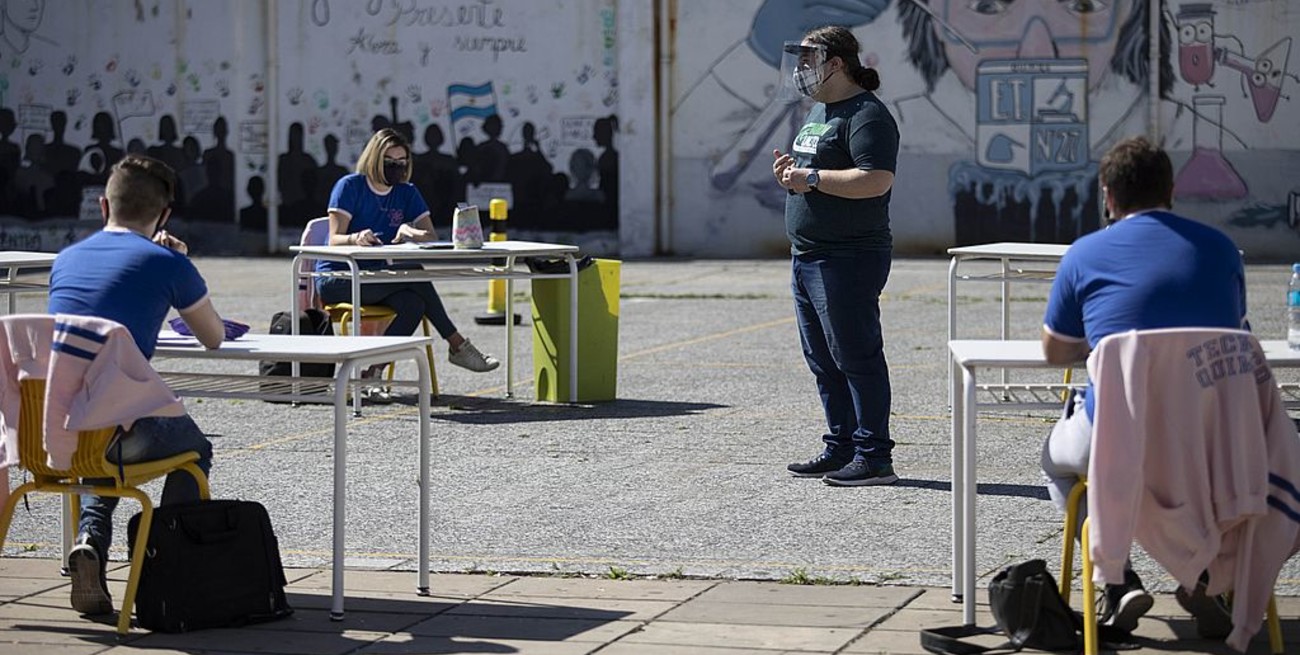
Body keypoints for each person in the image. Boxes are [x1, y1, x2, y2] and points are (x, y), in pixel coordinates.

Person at [1039, 136, 1247, 635]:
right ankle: (1205, 577)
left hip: (1115, 432)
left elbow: (1054, 351)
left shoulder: (1085, 254)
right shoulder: (1221, 250)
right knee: (1190, 475)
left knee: (1057, 463)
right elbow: (1237, 340)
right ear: (1172, 190)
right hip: (1207, 436)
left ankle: (1117, 580)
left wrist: (1108, 350)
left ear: (1107, 195)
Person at [47, 154, 225, 615]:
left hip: (59, 426)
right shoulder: (166, 263)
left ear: (104, 206)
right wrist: (177, 265)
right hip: (118, 429)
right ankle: (161, 559)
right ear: (164, 215)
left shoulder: (65, 261)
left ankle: (90, 541)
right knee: (195, 451)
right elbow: (213, 338)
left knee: (100, 429)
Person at [773, 26, 900, 487]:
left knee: (856, 355)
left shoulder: (866, 115)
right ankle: (841, 444)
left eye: (809, 59)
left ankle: (874, 456)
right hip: (808, 255)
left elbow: (876, 178)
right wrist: (793, 174)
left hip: (847, 257)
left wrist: (810, 180)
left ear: (836, 63)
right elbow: (816, 172)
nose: (802, 69)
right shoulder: (821, 110)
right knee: (823, 358)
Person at [316, 128, 499, 403]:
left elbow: (430, 236)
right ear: (374, 159)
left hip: (377, 277)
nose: (396, 167)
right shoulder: (350, 186)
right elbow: (333, 239)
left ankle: (373, 372)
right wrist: (356, 237)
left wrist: (409, 231)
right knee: (414, 275)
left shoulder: (407, 192)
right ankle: (457, 344)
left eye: (402, 161)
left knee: (414, 303)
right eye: (390, 161)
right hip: (340, 277)